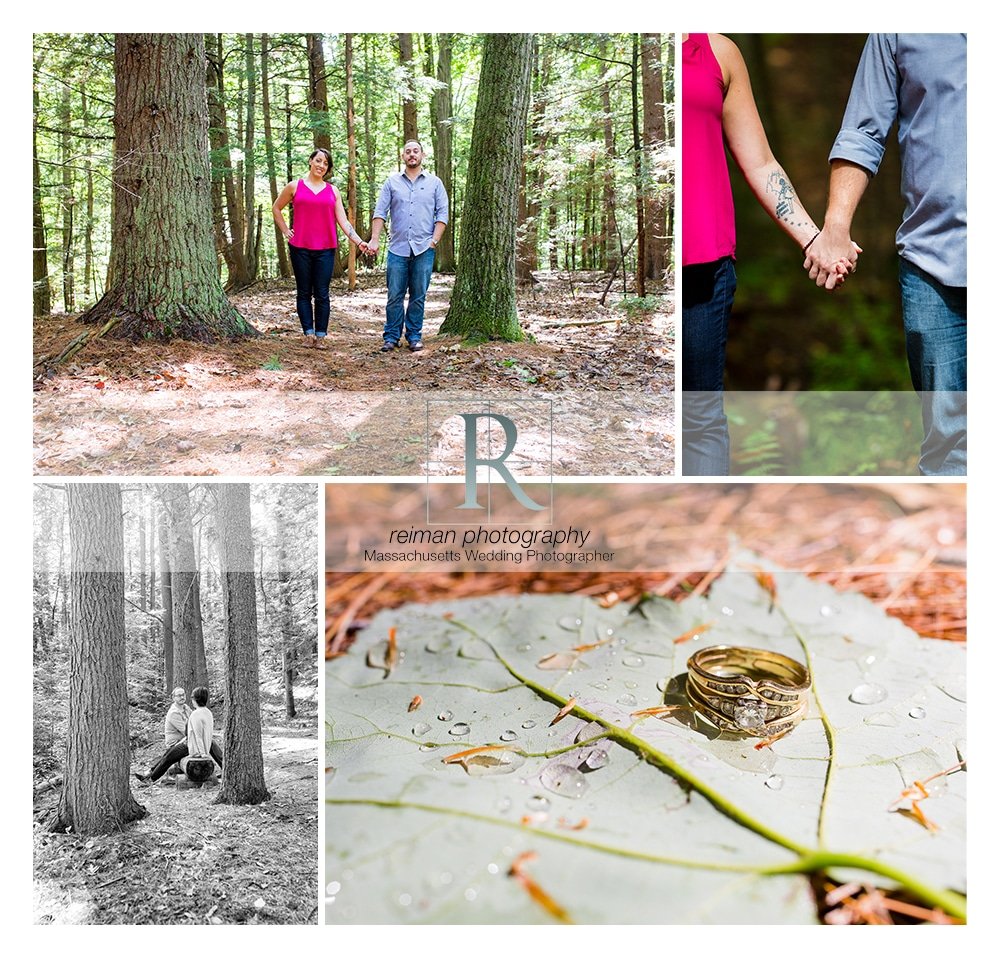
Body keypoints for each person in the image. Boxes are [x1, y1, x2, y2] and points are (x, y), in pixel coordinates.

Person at [681, 33, 850, 476]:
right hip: (639, 276)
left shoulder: (718, 51)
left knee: (698, 421)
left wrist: (815, 239)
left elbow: (760, 162)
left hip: (703, 270)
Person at [804, 35, 966, 476]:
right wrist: (835, 227)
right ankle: (951, 542)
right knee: (951, 444)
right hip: (936, 262)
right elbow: (862, 130)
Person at [272, 148, 371, 349]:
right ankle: (308, 334)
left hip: (326, 249)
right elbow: (276, 208)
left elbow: (343, 221)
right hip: (300, 247)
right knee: (303, 292)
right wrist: (285, 230)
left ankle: (321, 336)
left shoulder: (332, 191)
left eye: (325, 164)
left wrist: (359, 241)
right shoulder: (295, 186)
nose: (321, 166)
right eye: (318, 161)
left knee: (322, 293)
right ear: (310, 161)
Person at [367, 140, 449, 353]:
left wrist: (434, 241)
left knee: (418, 295)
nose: (412, 155)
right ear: (403, 156)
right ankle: (391, 337)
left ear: (422, 155)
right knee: (394, 294)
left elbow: (442, 214)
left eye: (415, 151)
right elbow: (380, 212)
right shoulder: (392, 182)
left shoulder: (435, 183)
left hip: (424, 248)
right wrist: (375, 239)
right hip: (398, 248)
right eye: (408, 152)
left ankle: (414, 336)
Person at [136, 686, 223, 785]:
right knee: (168, 756)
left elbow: (194, 733)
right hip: (180, 742)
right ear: (173, 698)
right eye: (179, 695)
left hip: (190, 744)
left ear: (195, 699)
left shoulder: (191, 711)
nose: (182, 697)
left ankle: (150, 778)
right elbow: (192, 731)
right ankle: (150, 775)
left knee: (169, 757)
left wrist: (203, 754)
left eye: (184, 695)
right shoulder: (177, 713)